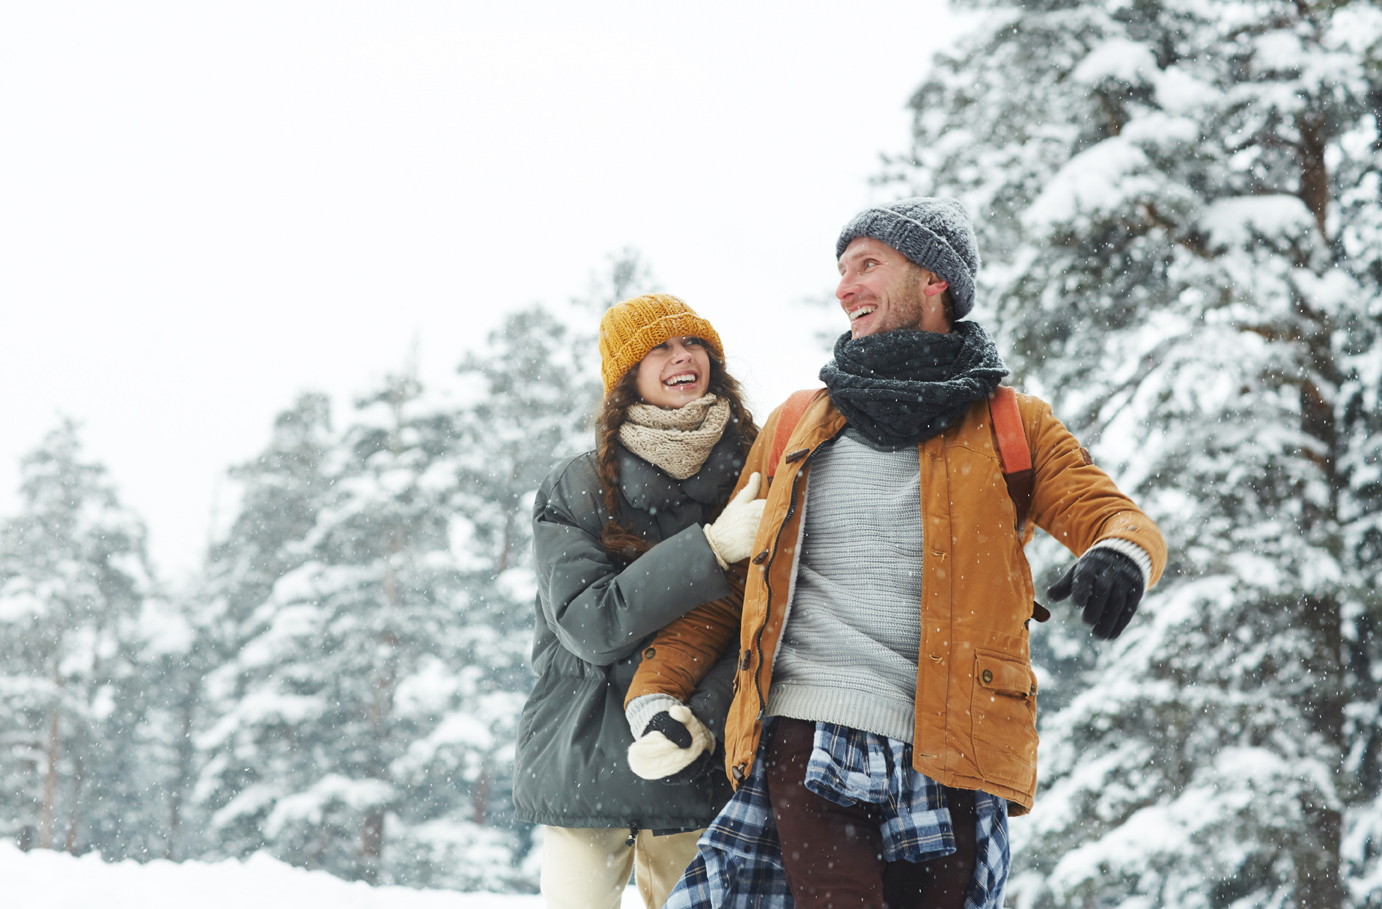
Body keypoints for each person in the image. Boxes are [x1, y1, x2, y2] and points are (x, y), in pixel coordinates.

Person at [621, 199, 1168, 908]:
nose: (845, 286)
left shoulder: (1012, 423)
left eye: (867, 265)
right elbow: (737, 580)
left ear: (935, 278)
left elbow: (1114, 515)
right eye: (842, 270)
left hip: (953, 743)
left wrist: (1122, 553)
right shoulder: (796, 423)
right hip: (806, 729)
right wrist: (658, 692)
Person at [512, 293, 766, 909]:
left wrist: (696, 721)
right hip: (584, 764)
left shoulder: (757, 473)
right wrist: (708, 552)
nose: (683, 359)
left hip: (696, 769)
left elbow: (765, 629)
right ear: (627, 375)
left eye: (693, 344)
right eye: (661, 348)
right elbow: (590, 623)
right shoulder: (577, 484)